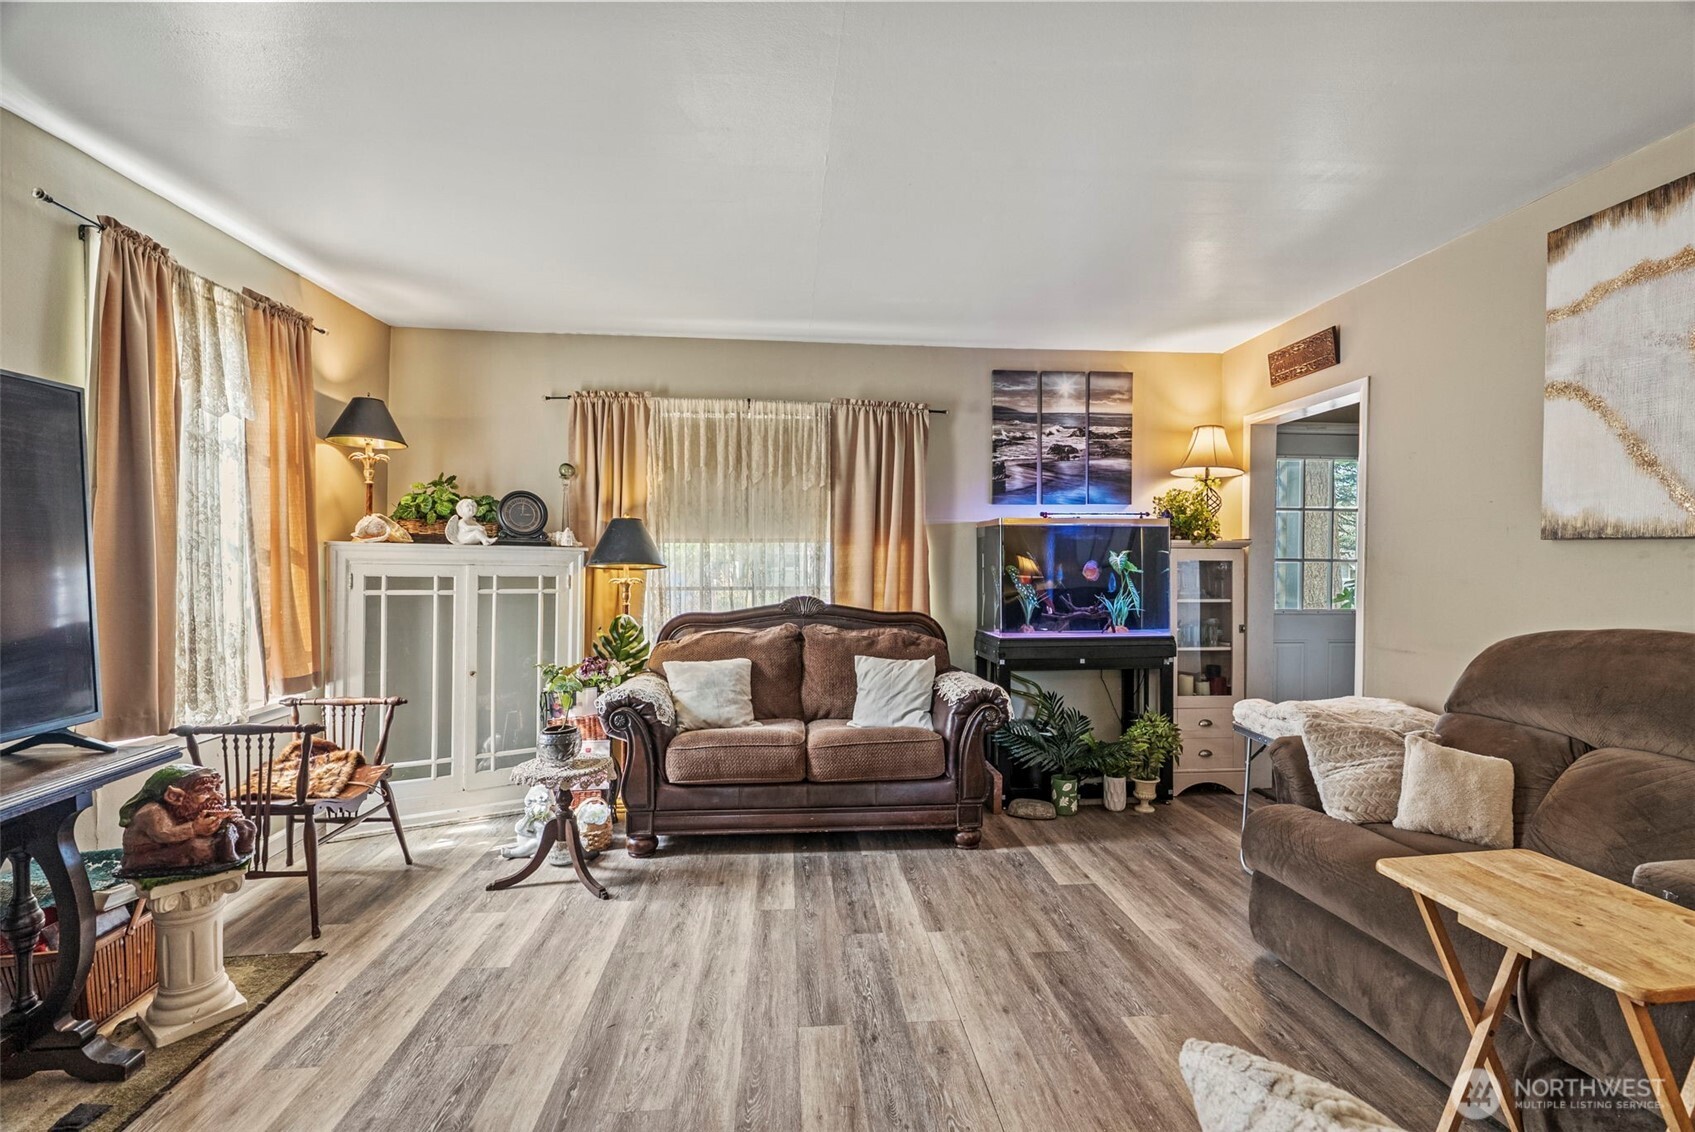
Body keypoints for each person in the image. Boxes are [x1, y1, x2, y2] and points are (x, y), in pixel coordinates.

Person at [119, 765, 257, 876]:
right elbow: (165, 834)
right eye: (205, 792)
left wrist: (230, 818)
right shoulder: (152, 812)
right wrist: (195, 828)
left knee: (243, 827)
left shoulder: (187, 807)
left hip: (175, 847)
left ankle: (233, 838)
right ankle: (225, 844)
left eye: (216, 789)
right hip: (144, 857)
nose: (219, 798)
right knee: (197, 849)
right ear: (174, 796)